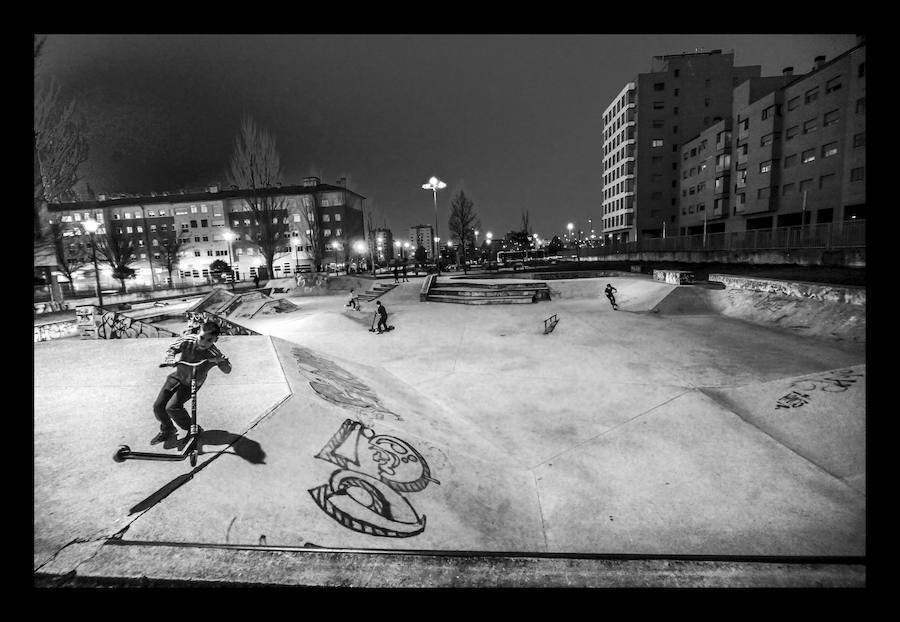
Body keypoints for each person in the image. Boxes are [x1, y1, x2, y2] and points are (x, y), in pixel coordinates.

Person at [151, 320, 231, 445]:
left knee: (172, 407)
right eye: (202, 337)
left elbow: (227, 370)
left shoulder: (213, 352)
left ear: (215, 340)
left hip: (192, 383)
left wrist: (221, 361)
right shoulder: (188, 340)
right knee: (158, 406)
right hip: (177, 376)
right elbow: (172, 348)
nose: (203, 342)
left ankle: (193, 429)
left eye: (209, 340)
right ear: (198, 332)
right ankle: (168, 429)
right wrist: (170, 358)